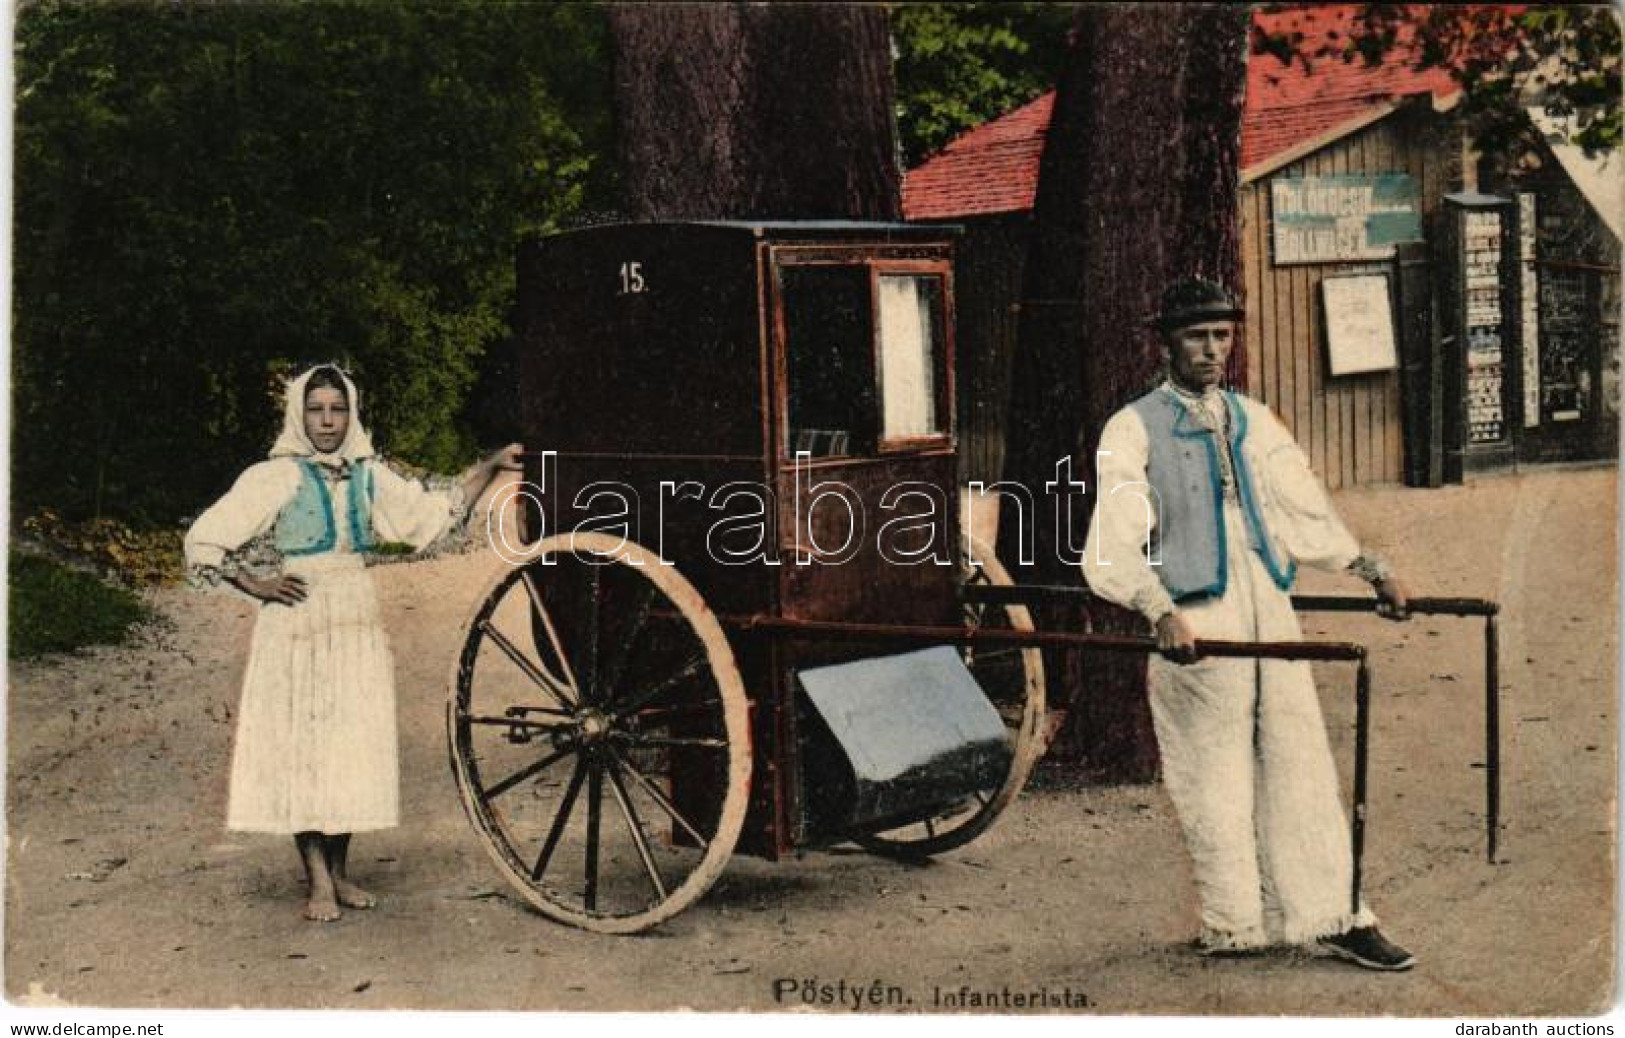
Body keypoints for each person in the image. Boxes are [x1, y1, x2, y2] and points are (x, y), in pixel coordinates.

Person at [1081, 278, 1417, 971]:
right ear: (1166, 342)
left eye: (1222, 336)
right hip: (1193, 607)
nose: (1211, 350)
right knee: (1210, 765)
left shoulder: (1251, 418)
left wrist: (1367, 566)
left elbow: (1300, 506)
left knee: (1298, 750)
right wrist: (1157, 610)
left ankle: (1336, 914)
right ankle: (1231, 921)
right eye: (1196, 337)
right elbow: (1114, 538)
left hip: (1265, 592)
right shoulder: (1132, 425)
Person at [185, 364, 521, 922]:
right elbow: (205, 538)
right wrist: (257, 584)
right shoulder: (276, 477)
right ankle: (316, 878)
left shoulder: (369, 476)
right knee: (306, 748)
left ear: (351, 414)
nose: (326, 421)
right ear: (299, 413)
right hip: (297, 624)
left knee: (347, 746)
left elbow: (434, 515)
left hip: (355, 618)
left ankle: (340, 872)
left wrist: (489, 465)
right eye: (316, 410)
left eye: (336, 410)